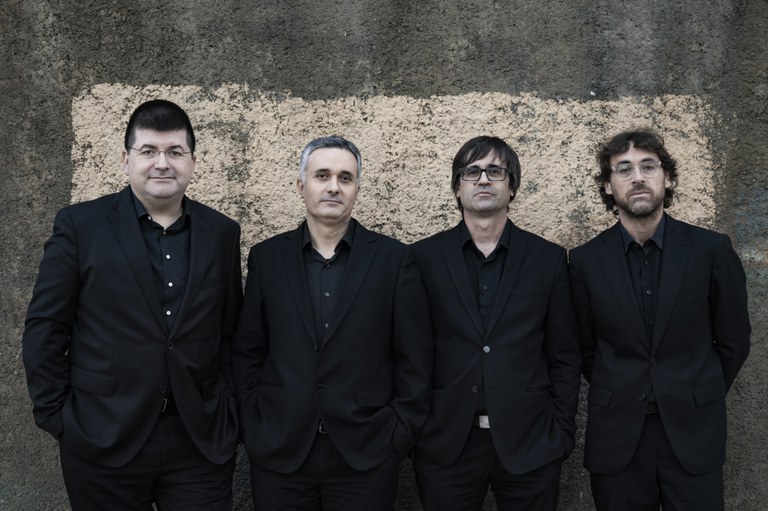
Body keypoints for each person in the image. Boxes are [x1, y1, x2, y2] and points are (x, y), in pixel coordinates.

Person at [22, 99, 243, 511]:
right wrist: (59, 419)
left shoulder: (222, 233)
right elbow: (45, 328)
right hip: (102, 438)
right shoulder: (80, 226)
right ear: (126, 160)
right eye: (148, 151)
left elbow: (231, 333)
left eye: (175, 152)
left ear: (193, 162)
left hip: (198, 441)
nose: (162, 163)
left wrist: (231, 415)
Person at [232, 135, 432, 510]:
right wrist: (253, 426)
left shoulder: (394, 260)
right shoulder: (267, 259)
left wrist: (398, 434)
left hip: (367, 453)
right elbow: (248, 352)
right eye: (322, 175)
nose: (333, 187)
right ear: (301, 186)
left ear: (357, 189)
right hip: (280, 451)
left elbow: (414, 360)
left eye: (345, 178)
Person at [569, 129, 751, 510]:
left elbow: (734, 341)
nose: (637, 177)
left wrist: (698, 391)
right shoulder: (584, 261)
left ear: (667, 178)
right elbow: (584, 348)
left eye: (648, 166)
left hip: (694, 434)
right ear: (608, 186)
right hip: (617, 439)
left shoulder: (711, 251)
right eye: (624, 169)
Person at [410, 136, 581, 510]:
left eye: (495, 171)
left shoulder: (548, 260)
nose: (483, 179)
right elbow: (410, 354)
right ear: (457, 188)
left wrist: (562, 432)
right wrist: (416, 429)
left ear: (512, 186)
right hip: (445, 444)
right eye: (471, 172)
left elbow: (564, 355)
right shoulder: (421, 259)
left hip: (532, 443)